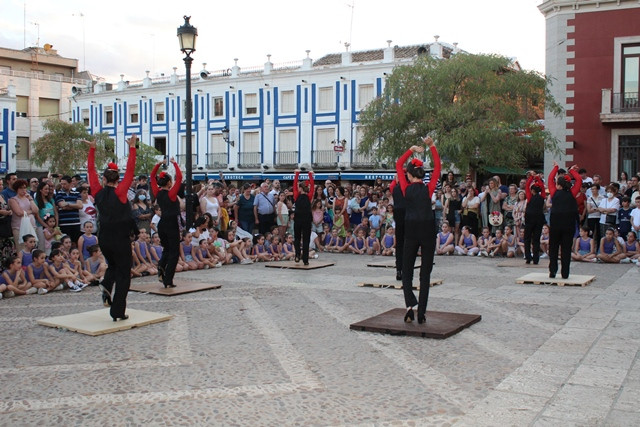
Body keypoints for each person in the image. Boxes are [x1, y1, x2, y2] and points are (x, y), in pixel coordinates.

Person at [86, 135, 137, 320]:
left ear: (104, 179)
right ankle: (117, 311)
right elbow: (130, 171)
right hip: (120, 238)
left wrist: (92, 150)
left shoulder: (97, 192)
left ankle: (107, 284)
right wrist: (132, 148)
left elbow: (90, 170)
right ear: (117, 179)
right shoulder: (121, 192)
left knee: (113, 266)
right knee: (124, 274)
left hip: (105, 238)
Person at [395, 136, 441, 324]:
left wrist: (411, 150)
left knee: (406, 270)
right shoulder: (428, 188)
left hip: (411, 230)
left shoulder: (405, 188)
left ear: (409, 175)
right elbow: (438, 168)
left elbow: (399, 164)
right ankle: (421, 312)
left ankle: (409, 305)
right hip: (427, 229)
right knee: (425, 272)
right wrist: (431, 146)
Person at [150, 157, 183, 289]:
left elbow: (152, 177)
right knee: (174, 253)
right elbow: (180, 178)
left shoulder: (157, 193)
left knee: (167, 250)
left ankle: (161, 268)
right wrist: (174, 163)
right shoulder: (171, 194)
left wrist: (158, 164)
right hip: (171, 224)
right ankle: (168, 279)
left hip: (162, 224)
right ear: (169, 182)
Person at [547, 162, 582, 279]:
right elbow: (579, 180)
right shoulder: (572, 192)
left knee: (553, 248)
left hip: (556, 225)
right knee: (566, 249)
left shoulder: (554, 192)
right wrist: (572, 170)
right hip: (568, 225)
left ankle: (552, 271)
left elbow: (550, 178)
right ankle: (565, 273)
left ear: (558, 185)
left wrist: (556, 168)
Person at [523, 171, 546, 264]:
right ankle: (536, 259)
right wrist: (538, 178)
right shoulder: (542, 196)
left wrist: (532, 177)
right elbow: (543, 188)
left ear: (532, 191)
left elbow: (527, 185)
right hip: (538, 218)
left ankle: (528, 257)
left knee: (527, 238)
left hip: (529, 218)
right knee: (536, 239)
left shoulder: (529, 196)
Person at [293, 169, 315, 265]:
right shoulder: (309, 196)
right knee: (306, 239)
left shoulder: (296, 196)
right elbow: (312, 187)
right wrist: (310, 175)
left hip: (298, 219)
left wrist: (297, 174)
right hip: (306, 220)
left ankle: (297, 255)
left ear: (300, 189)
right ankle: (305, 259)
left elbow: (294, 185)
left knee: (297, 238)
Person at [55, 175, 83, 244]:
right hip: (64, 224)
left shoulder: (77, 193)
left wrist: (68, 204)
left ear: (70, 184)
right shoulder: (59, 194)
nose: (62, 186)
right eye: (61, 184)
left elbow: (80, 205)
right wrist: (74, 205)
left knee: (75, 243)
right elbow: (62, 205)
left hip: (75, 223)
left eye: (64, 184)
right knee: (65, 244)